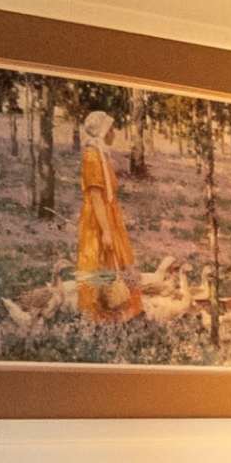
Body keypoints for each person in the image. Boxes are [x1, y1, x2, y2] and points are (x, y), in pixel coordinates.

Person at [73, 109, 142, 322]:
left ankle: (118, 313)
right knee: (96, 262)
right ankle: (95, 316)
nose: (114, 133)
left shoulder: (101, 154)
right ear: (103, 131)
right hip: (97, 220)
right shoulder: (92, 156)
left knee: (116, 262)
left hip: (109, 216)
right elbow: (95, 195)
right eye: (111, 129)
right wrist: (105, 231)